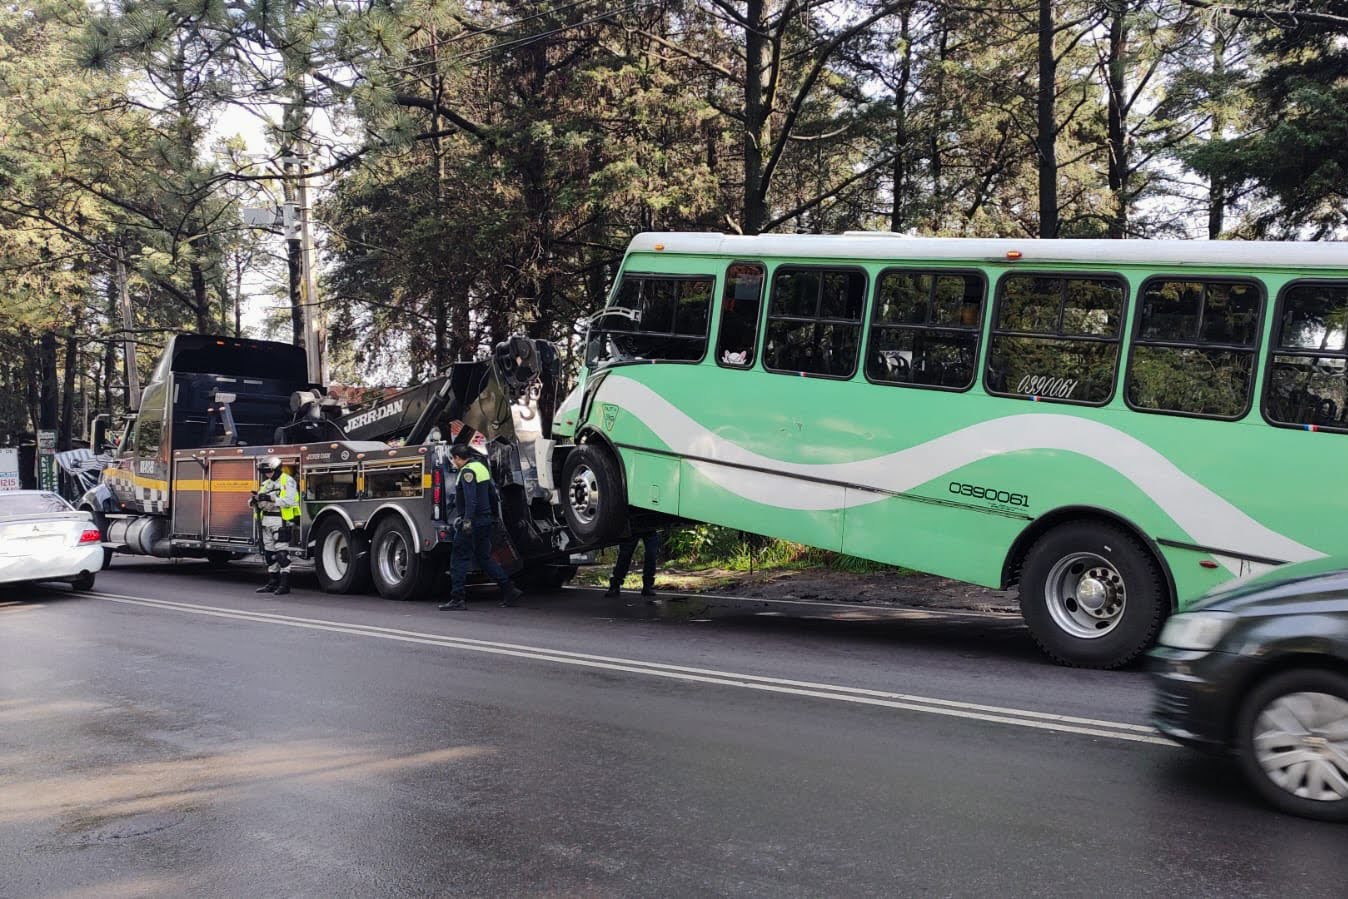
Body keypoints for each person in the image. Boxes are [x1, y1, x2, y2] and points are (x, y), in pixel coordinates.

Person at [439, 445, 522, 611]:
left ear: (457, 457)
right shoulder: (481, 468)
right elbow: (493, 494)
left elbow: (470, 499)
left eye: (453, 460)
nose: (454, 463)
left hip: (472, 522)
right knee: (484, 558)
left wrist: (467, 520)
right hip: (484, 520)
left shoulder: (467, 472)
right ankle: (509, 590)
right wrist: (493, 516)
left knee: (459, 559)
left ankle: (457, 599)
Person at [250, 457, 300, 595]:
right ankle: (272, 583)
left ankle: (285, 585)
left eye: (269, 471)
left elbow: (289, 500)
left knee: (282, 555)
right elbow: (256, 500)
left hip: (280, 521)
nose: (267, 474)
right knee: (269, 554)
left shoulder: (287, 481)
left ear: (277, 469)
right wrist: (254, 499)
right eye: (264, 471)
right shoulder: (265, 483)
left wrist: (271, 498)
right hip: (266, 521)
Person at [605, 530, 662, 598]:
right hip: (633, 526)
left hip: (649, 526)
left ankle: (648, 586)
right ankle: (615, 585)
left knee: (651, 554)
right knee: (625, 554)